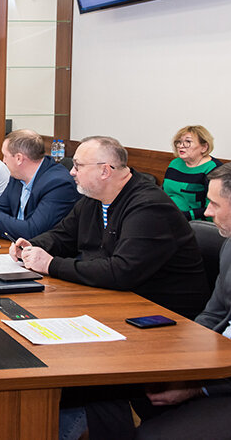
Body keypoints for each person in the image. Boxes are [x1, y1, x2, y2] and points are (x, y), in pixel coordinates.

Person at [12, 136, 209, 319]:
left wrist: (51, 264)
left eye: (78, 166)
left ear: (105, 171)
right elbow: (64, 235)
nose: (72, 172)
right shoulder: (94, 197)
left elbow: (121, 271)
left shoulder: (149, 207)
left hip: (161, 314)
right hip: (113, 298)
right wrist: (32, 245)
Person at [131, 159, 231, 439]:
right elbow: (213, 314)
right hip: (218, 366)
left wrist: (197, 387)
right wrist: (182, 363)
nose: (207, 212)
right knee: (124, 388)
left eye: (214, 204)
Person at [0, 129, 80, 238]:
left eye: (5, 156)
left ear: (19, 158)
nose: (4, 161)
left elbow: (33, 231)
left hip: (46, 253)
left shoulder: (58, 184)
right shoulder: (17, 176)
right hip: (13, 248)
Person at [162, 125, 224, 221]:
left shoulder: (214, 169)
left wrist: (182, 216)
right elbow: (164, 192)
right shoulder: (175, 164)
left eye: (188, 142)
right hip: (166, 215)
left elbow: (213, 208)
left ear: (204, 147)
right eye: (179, 142)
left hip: (194, 222)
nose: (181, 146)